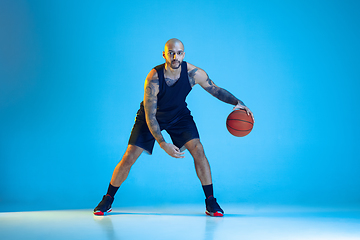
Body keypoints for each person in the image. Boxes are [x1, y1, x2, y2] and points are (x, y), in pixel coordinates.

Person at [94, 38, 254, 217]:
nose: (175, 56)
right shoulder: (154, 77)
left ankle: (211, 202)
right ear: (164, 55)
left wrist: (238, 102)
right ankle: (108, 198)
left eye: (178, 53)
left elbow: (215, 89)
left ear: (183, 54)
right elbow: (150, 115)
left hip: (179, 116)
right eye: (171, 53)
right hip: (152, 116)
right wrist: (163, 144)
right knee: (129, 155)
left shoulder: (194, 73)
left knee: (198, 149)